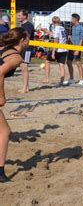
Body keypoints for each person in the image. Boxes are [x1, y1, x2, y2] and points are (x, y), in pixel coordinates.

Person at [0, 27, 30, 182]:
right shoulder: (16, 58)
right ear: (22, 41)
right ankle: (0, 173)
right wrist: (1, 97)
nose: (30, 41)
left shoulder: (4, 48)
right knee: (4, 132)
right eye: (28, 38)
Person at [44, 17, 68, 85]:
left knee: (47, 61)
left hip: (58, 49)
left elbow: (56, 41)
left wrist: (53, 52)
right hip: (64, 49)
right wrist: (47, 31)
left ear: (53, 22)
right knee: (61, 65)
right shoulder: (62, 28)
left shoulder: (57, 29)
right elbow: (56, 35)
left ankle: (46, 78)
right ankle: (62, 81)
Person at [16, 10, 35, 93]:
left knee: (24, 67)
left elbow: (27, 38)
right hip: (22, 49)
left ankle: (25, 88)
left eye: (19, 15)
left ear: (25, 16)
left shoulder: (28, 25)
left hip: (27, 49)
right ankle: (25, 87)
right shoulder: (22, 25)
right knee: (22, 67)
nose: (18, 17)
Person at [64, 13, 83, 85]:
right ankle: (71, 78)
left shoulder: (81, 28)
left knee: (78, 63)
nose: (71, 20)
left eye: (72, 18)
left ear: (75, 19)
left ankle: (81, 79)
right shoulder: (73, 27)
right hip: (71, 47)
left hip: (77, 47)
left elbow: (81, 40)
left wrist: (78, 49)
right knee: (68, 62)